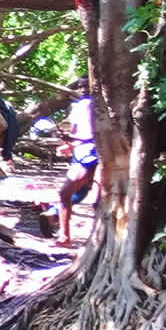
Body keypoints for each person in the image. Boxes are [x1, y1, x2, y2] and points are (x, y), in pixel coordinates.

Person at [54, 96, 98, 245]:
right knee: (71, 193)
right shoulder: (78, 106)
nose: (83, 88)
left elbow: (98, 135)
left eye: (86, 84)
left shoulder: (100, 104)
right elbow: (74, 132)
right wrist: (70, 144)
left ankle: (64, 232)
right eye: (80, 85)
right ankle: (64, 235)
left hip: (93, 154)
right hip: (80, 154)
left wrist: (73, 138)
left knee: (92, 195)